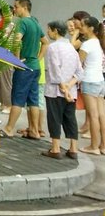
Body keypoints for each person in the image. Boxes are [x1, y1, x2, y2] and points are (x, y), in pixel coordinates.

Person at [2, 0, 48, 139]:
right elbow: (46, 43)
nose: (14, 9)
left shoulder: (22, 22)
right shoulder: (35, 23)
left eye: (16, 7)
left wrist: (17, 60)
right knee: (33, 100)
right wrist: (38, 58)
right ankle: (34, 131)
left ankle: (9, 128)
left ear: (24, 8)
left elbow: (17, 40)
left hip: (24, 68)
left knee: (17, 99)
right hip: (35, 68)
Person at [42, 20, 82, 159]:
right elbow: (79, 71)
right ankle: (73, 149)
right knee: (70, 118)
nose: (48, 32)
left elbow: (54, 70)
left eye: (49, 29)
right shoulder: (71, 47)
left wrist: (63, 88)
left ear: (55, 31)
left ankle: (55, 148)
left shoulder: (53, 48)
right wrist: (69, 86)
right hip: (71, 91)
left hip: (55, 91)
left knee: (54, 118)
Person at [78, 15, 105, 155]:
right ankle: (103, 146)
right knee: (101, 115)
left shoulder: (87, 44)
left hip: (89, 80)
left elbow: (78, 64)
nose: (80, 28)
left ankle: (94, 146)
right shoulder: (99, 42)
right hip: (100, 80)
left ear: (91, 28)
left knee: (93, 115)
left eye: (82, 25)